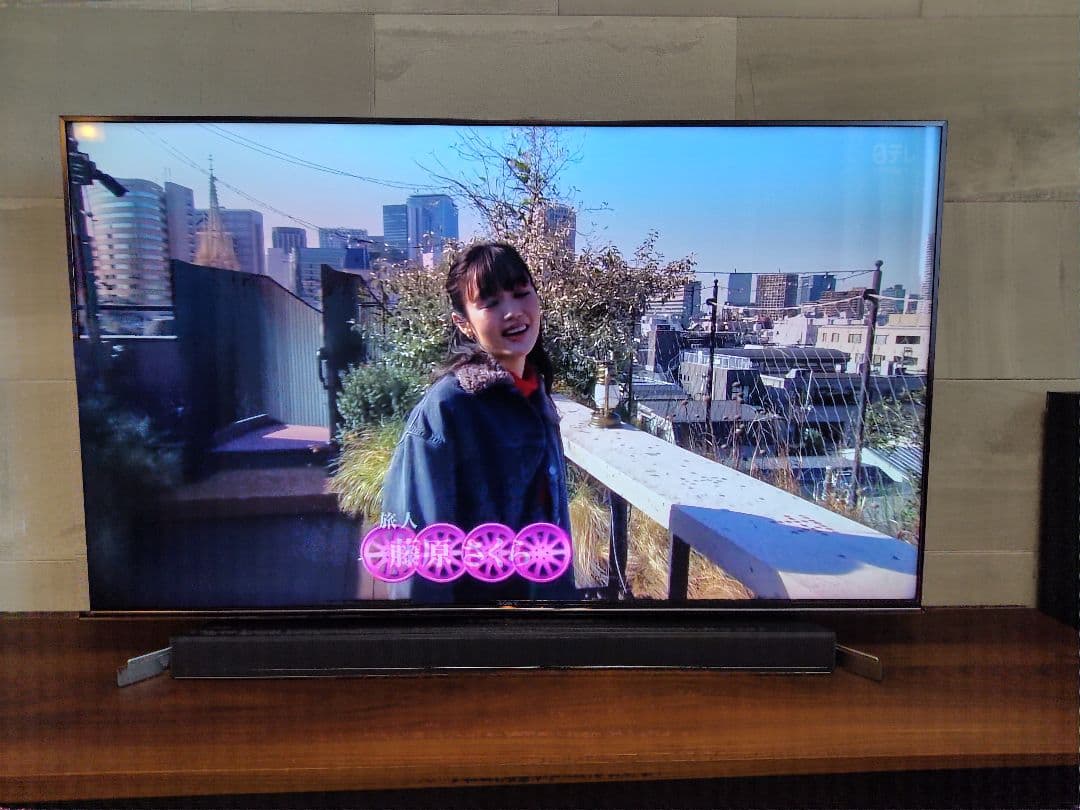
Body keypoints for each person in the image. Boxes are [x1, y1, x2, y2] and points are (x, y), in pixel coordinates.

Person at [381, 242, 577, 603]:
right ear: (464, 324)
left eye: (521, 293)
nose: (513, 312)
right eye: (490, 303)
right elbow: (418, 559)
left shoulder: (535, 395)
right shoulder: (447, 410)